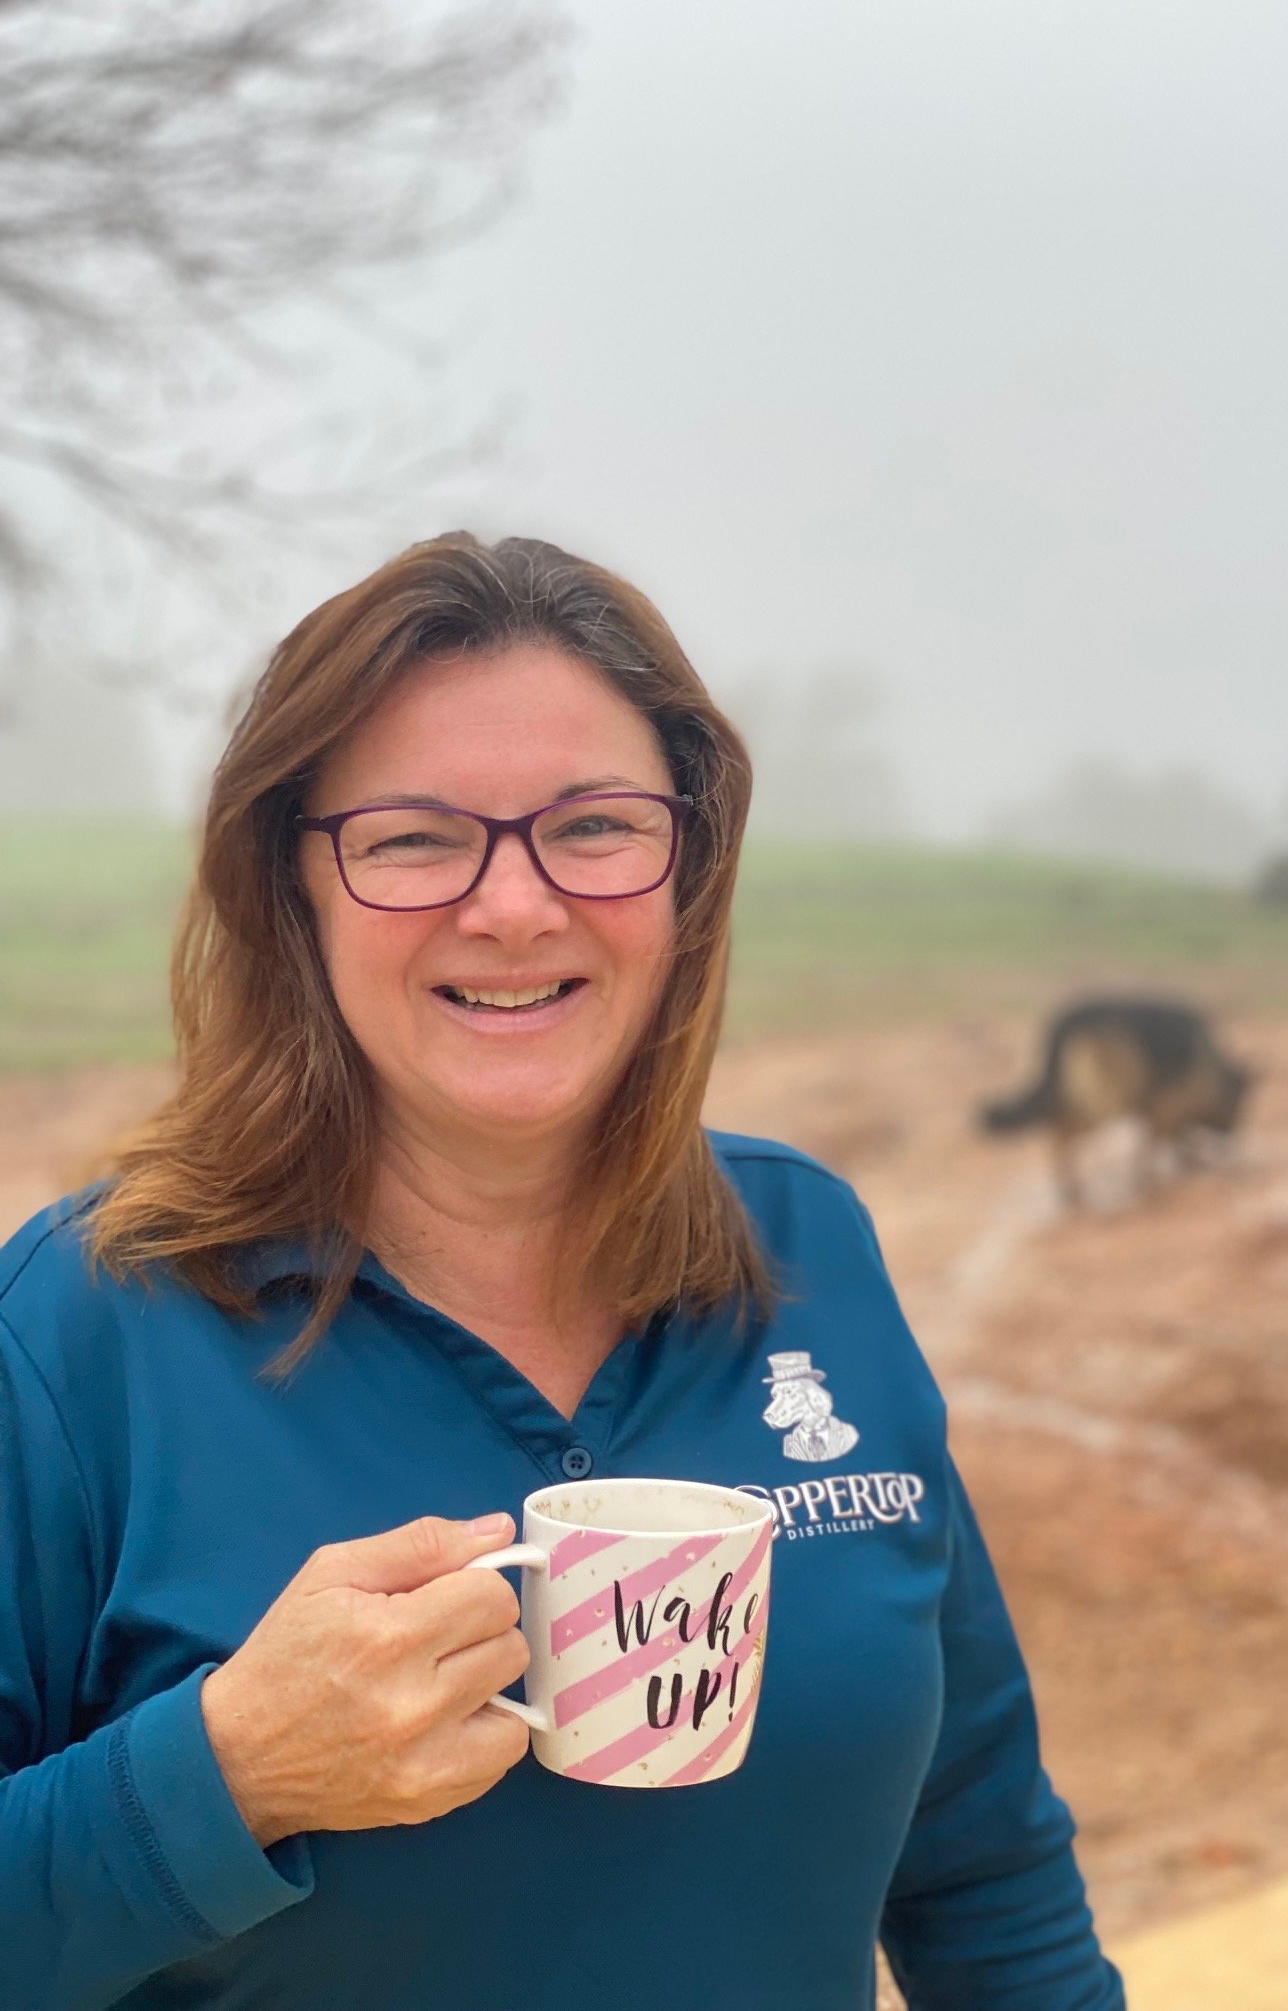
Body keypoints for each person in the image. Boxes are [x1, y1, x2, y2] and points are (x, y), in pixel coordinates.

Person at [0, 534, 1126, 2010]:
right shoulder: (81, 1331)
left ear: (687, 871)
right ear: (294, 889)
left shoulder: (810, 1250)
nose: (516, 908)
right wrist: (228, 1776)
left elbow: (983, 1864)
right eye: (413, 839)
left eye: (593, 826)